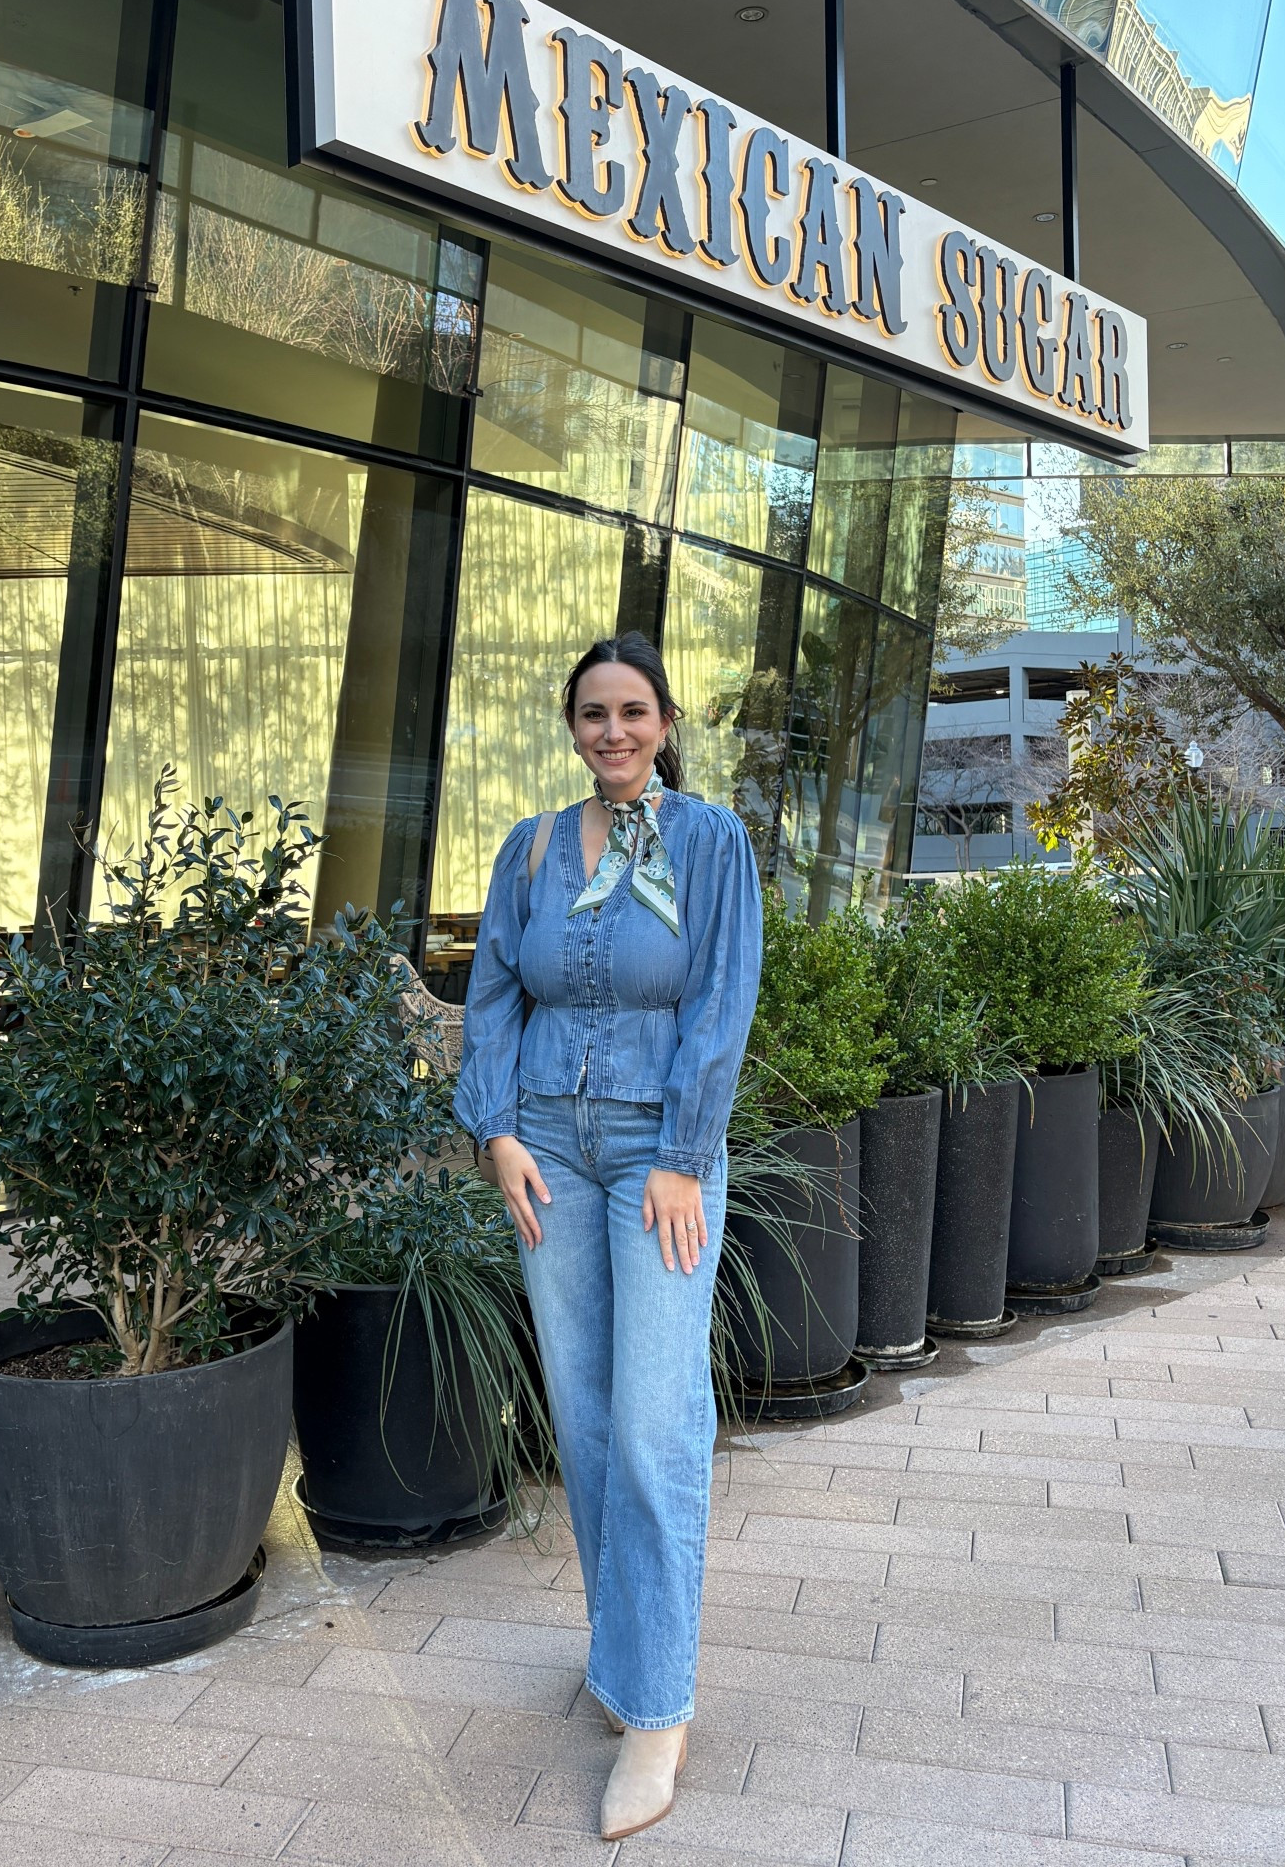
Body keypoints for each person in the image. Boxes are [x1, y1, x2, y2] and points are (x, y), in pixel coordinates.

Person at [454, 633, 762, 1842]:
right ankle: (623, 1653)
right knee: (583, 1420)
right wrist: (495, 1132)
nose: (614, 731)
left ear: (666, 722)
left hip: (656, 1159)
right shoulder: (531, 846)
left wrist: (684, 1152)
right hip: (548, 1151)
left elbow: (722, 996)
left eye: (634, 711)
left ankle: (659, 1710)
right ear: (572, 725)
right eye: (594, 712)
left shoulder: (711, 842)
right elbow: (492, 991)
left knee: (652, 1421)